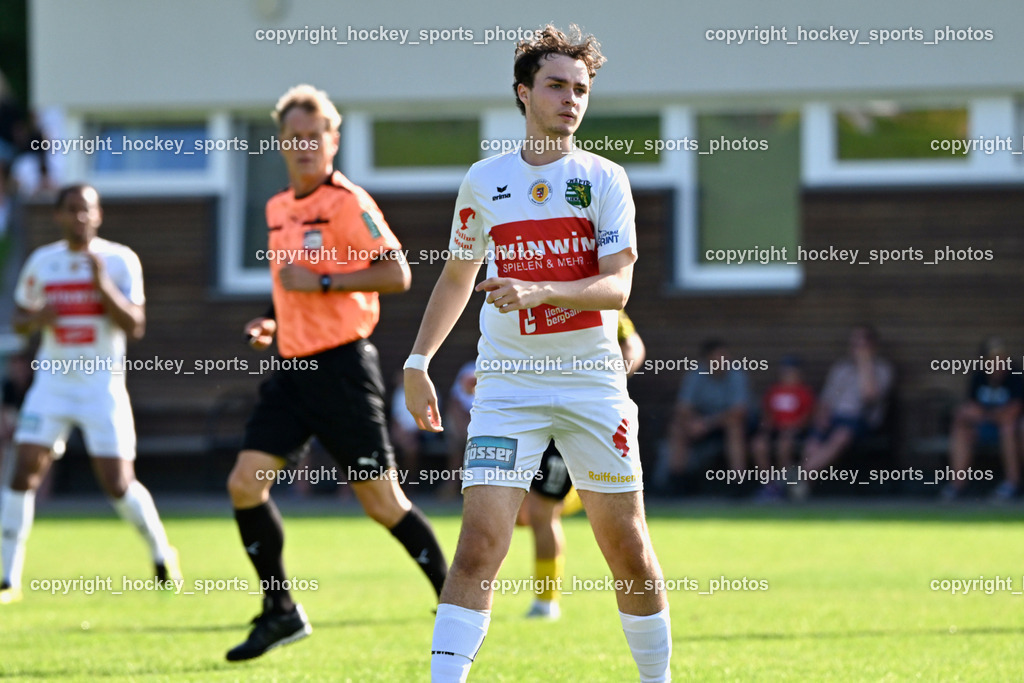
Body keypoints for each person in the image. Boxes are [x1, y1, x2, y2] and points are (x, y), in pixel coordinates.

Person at [404, 26, 671, 682]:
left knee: (629, 550)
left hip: (592, 383)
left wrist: (539, 288)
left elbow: (617, 286)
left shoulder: (605, 180)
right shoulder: (485, 181)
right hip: (507, 387)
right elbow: (457, 275)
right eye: (556, 85)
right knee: (479, 549)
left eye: (581, 89)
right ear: (523, 93)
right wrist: (417, 362)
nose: (570, 99)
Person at [224, 85, 448, 661]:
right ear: (282, 143)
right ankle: (281, 611)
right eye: (294, 137)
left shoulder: (349, 202)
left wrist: (325, 283)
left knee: (382, 503)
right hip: (290, 372)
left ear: (333, 141)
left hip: (343, 368)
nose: (304, 146)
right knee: (244, 485)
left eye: (314, 135)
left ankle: (455, 600)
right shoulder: (277, 208)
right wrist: (273, 322)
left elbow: (396, 273)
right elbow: (287, 286)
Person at [1, 184, 180, 605]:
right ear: (58, 216)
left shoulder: (119, 260)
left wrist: (102, 286)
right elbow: (20, 317)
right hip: (53, 384)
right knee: (23, 468)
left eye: (87, 209)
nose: (80, 217)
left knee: (118, 484)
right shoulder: (43, 262)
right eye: (71, 210)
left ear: (98, 215)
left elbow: (135, 325)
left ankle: (160, 551)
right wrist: (37, 318)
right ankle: (8, 576)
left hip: (101, 386)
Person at [521, 309, 645, 620]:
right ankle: (574, 496)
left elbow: (633, 346)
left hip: (576, 415)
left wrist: (608, 380)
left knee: (542, 511)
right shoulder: (521, 283)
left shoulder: (597, 296)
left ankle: (546, 603)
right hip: (525, 412)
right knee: (520, 513)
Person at [799, 325, 894, 490]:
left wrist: (865, 363)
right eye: (854, 344)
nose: (856, 349)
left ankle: (793, 480)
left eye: (861, 345)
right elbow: (826, 399)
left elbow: (870, 396)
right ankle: (802, 485)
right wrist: (822, 416)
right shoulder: (841, 369)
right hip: (835, 417)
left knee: (840, 437)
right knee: (812, 443)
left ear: (872, 346)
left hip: (861, 420)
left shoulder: (883, 369)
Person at [943, 336, 1023, 501]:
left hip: (1011, 430)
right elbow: (969, 409)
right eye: (993, 359)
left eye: (1001, 358)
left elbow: (1013, 411)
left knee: (1008, 428)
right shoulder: (979, 377)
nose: (998, 363)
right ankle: (957, 485)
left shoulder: (1015, 376)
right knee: (960, 429)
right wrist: (990, 415)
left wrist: (986, 414)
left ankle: (1012, 484)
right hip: (984, 428)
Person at [665, 339, 753, 487]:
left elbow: (739, 411)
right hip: (699, 423)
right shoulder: (695, 374)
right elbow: (683, 407)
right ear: (707, 359)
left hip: (725, 423)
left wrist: (708, 423)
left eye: (724, 356)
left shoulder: (737, 375)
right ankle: (677, 481)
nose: (722, 361)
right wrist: (694, 422)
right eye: (717, 357)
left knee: (735, 426)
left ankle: (739, 482)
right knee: (677, 428)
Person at [750, 355, 814, 500]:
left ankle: (782, 484)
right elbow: (767, 415)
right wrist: (765, 431)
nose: (788, 375)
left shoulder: (804, 392)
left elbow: (807, 417)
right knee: (758, 445)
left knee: (784, 445)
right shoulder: (774, 391)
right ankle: (769, 485)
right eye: (785, 372)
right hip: (775, 429)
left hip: (795, 431)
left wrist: (792, 427)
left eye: (791, 372)